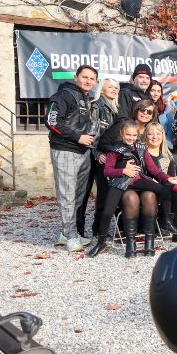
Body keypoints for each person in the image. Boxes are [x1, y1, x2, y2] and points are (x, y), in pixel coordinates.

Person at [100, 120, 177, 258]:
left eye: (134, 135)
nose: (131, 138)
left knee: (165, 190)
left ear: (138, 135)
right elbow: (107, 171)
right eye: (128, 135)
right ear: (122, 133)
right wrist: (123, 170)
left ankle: (167, 223)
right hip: (121, 183)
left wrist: (166, 178)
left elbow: (152, 168)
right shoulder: (115, 150)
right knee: (107, 212)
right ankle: (101, 242)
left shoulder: (141, 148)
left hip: (138, 180)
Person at [46, 64, 98, 252]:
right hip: (65, 150)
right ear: (76, 77)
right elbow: (52, 121)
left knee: (78, 196)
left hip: (82, 151)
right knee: (67, 195)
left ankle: (68, 233)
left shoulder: (86, 98)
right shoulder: (65, 95)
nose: (88, 81)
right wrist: (77, 137)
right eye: (85, 77)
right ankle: (70, 237)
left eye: (92, 79)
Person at [77, 77, 119, 242]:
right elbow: (93, 136)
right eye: (110, 87)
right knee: (84, 194)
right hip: (94, 157)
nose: (114, 90)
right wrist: (98, 153)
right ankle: (78, 231)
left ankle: (97, 228)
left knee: (103, 193)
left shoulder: (114, 108)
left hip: (106, 157)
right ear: (102, 89)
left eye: (116, 87)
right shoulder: (97, 106)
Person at [144, 121, 177, 241]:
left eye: (158, 134)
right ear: (145, 135)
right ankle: (165, 224)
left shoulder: (168, 154)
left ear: (163, 135)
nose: (155, 137)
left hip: (165, 186)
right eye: (151, 134)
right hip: (147, 187)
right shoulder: (142, 152)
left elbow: (171, 176)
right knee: (166, 190)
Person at [147, 80, 174, 148]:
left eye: (158, 91)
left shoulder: (166, 107)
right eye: (153, 90)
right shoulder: (144, 106)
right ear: (148, 91)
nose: (156, 94)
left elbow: (170, 126)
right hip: (147, 142)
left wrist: (168, 145)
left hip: (163, 143)